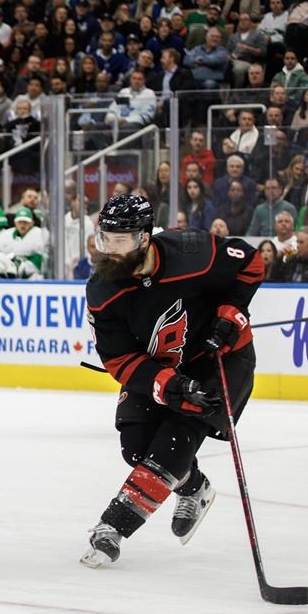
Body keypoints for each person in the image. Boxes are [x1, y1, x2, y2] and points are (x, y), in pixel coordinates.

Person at [80, 195, 264, 568]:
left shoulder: (191, 251)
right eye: (105, 239)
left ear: (145, 238)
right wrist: (169, 383)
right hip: (161, 369)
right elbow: (118, 358)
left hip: (219, 362)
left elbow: (251, 263)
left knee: (173, 442)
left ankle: (111, 528)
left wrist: (231, 314)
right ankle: (194, 488)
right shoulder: (103, 289)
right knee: (135, 448)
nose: (110, 250)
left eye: (121, 241)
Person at [0, 207, 47, 279]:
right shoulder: (6, 234)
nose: (22, 225)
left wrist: (23, 267)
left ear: (32, 223)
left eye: (25, 222)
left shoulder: (39, 234)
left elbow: (41, 260)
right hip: (9, 274)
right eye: (20, 222)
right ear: (15, 222)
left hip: (31, 276)